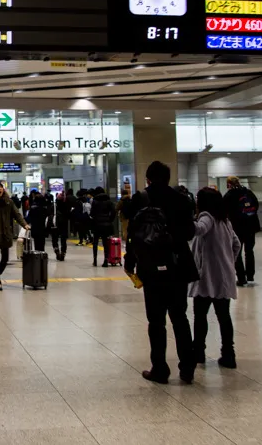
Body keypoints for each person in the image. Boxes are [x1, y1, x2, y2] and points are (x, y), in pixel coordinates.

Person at [130, 160, 198, 384]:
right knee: (180, 317)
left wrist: (130, 262)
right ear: (168, 178)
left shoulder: (140, 198)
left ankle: (160, 368)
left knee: (156, 321)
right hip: (177, 264)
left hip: (151, 266)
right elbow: (190, 232)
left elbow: (133, 234)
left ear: (147, 178)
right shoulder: (181, 198)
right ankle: (187, 368)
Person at [190, 187, 241, 368]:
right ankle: (228, 353)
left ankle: (198, 352)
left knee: (200, 316)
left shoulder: (207, 217)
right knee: (224, 316)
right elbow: (236, 244)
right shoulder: (224, 220)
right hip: (224, 277)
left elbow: (199, 230)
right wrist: (228, 262)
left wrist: (184, 221)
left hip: (207, 278)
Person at [222, 177, 260, 287]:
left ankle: (241, 278)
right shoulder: (248, 192)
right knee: (249, 251)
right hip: (251, 227)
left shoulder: (229, 195)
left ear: (229, 184)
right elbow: (256, 206)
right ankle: (250, 275)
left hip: (237, 227)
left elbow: (223, 210)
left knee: (237, 252)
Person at [89, 186, 116, 267]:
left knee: (95, 242)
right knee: (105, 243)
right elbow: (113, 212)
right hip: (106, 225)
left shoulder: (95, 201)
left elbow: (92, 213)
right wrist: (109, 220)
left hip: (97, 224)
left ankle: (95, 260)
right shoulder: (109, 201)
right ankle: (106, 260)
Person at [52, 192, 70, 261]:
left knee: (54, 239)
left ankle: (57, 252)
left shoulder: (54, 205)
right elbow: (69, 215)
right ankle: (63, 253)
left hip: (55, 224)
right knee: (63, 240)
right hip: (64, 224)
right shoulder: (67, 205)